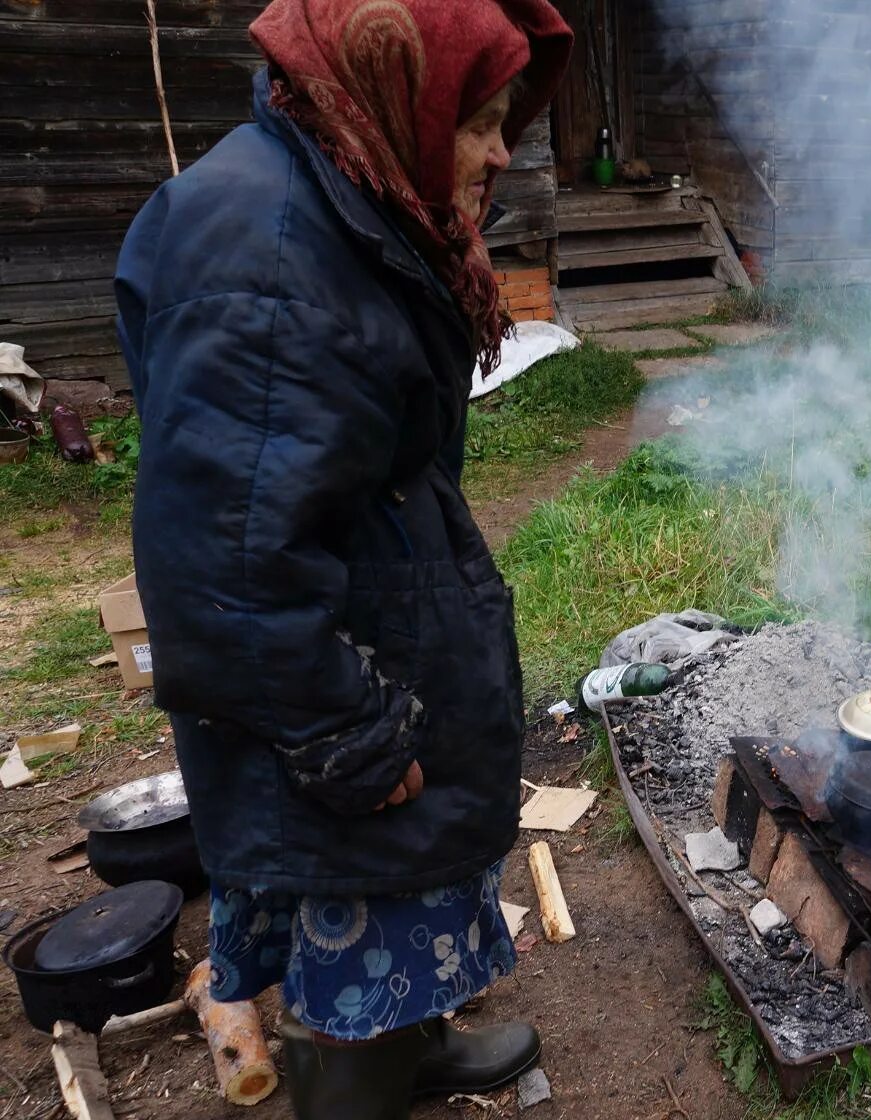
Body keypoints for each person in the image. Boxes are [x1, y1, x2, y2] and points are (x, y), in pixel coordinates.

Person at [113, 2, 571, 1116]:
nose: (502, 153)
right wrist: (344, 731)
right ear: (398, 94)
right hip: (318, 673)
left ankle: (405, 1053)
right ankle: (354, 1089)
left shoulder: (345, 185)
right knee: (361, 876)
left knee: (402, 883)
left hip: (371, 609)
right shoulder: (265, 259)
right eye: (481, 122)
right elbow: (225, 567)